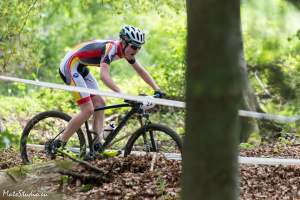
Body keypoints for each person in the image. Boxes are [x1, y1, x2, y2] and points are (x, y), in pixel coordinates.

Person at [50, 25, 164, 154]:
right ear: (124, 42)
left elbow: (140, 71)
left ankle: (96, 145)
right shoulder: (111, 49)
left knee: (100, 103)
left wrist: (157, 88)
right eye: (133, 46)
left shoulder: (126, 52)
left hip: (81, 67)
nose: (136, 50)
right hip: (70, 66)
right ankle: (59, 144)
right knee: (87, 110)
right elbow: (104, 76)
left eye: (139, 47)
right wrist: (121, 93)